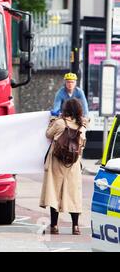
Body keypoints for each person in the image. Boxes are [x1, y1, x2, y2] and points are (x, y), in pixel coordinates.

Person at [40, 98, 89, 235]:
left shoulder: (59, 123)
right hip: (73, 165)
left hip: (57, 162)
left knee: (54, 193)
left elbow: (47, 134)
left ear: (65, 109)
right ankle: (75, 227)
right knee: (74, 195)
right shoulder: (82, 126)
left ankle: (54, 226)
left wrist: (52, 121)